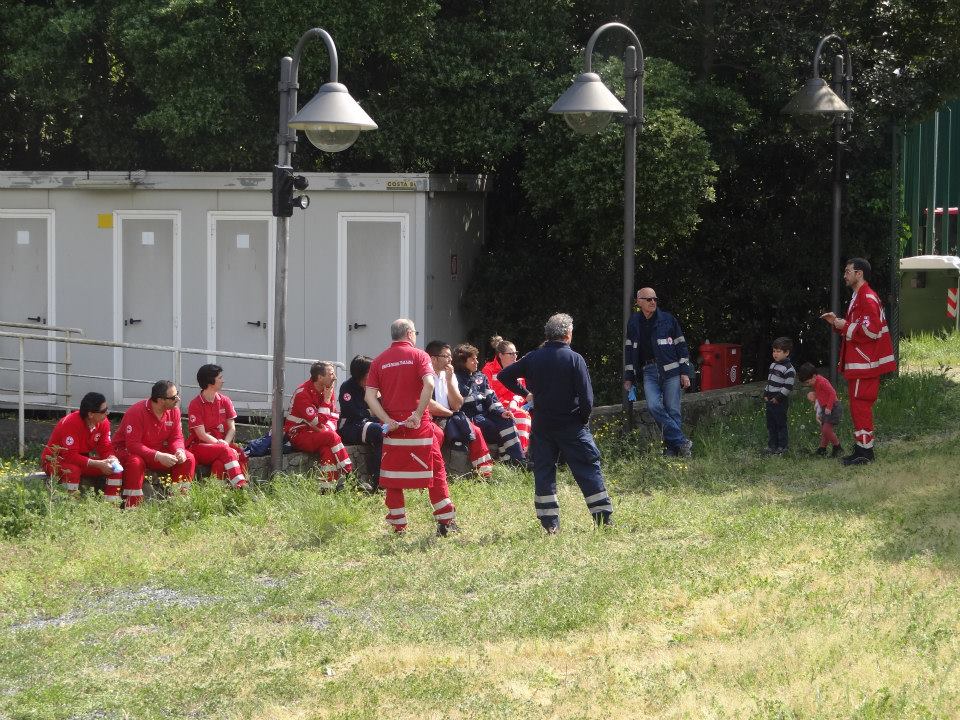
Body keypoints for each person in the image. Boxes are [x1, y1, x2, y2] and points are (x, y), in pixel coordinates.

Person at [498, 313, 613, 533]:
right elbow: (587, 399)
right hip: (571, 424)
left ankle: (550, 525)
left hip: (542, 425)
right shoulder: (575, 359)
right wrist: (582, 419)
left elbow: (504, 376)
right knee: (587, 468)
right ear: (568, 334)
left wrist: (526, 393)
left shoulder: (533, 357)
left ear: (548, 335)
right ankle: (603, 520)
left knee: (543, 471)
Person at [365, 319, 459, 536]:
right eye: (414, 332)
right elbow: (429, 384)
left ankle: (398, 525)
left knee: (393, 477)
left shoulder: (379, 361)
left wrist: (387, 420)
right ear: (409, 333)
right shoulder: (420, 356)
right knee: (435, 471)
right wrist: (417, 414)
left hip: (393, 428)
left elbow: (369, 396)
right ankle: (445, 521)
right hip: (419, 426)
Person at [820, 257, 896, 465]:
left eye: (847, 271)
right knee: (858, 406)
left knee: (860, 406)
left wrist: (843, 325)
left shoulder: (867, 297)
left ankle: (865, 453)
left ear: (859, 273)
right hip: (862, 364)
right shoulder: (859, 296)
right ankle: (862, 449)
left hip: (865, 364)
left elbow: (871, 330)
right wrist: (836, 322)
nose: (844, 275)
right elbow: (857, 327)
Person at [623, 287, 694, 457]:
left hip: (671, 371)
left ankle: (673, 450)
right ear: (639, 302)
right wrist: (629, 376)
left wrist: (685, 372)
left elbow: (681, 346)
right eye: (648, 299)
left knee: (672, 410)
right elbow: (629, 351)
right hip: (648, 371)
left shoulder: (668, 319)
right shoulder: (634, 322)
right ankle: (682, 442)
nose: (653, 302)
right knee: (654, 406)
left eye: (655, 298)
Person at [113, 380, 196, 508]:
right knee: (136, 462)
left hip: (154, 453)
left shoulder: (174, 411)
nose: (178, 399)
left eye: (177, 394)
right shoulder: (136, 412)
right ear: (160, 400)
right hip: (129, 452)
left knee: (188, 458)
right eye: (173, 397)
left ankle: (178, 503)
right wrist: (158, 455)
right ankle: (132, 506)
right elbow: (133, 445)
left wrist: (179, 450)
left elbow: (176, 437)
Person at [425, 340, 494, 479]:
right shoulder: (423, 375)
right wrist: (449, 413)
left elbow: (457, 404)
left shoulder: (449, 375)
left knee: (476, 431)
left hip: (449, 415)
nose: (450, 360)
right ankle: (431, 475)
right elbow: (428, 404)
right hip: (432, 417)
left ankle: (485, 474)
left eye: (450, 356)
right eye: (446, 356)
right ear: (433, 358)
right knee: (437, 434)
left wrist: (450, 381)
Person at [40, 391, 123, 501]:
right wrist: (98, 463)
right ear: (90, 414)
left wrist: (111, 458)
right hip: (54, 460)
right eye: (103, 411)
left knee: (114, 469)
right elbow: (70, 456)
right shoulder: (71, 423)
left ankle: (112, 506)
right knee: (72, 470)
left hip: (81, 460)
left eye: (107, 409)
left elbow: (106, 448)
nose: (107, 413)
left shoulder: (104, 423)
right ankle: (69, 504)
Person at [453, 343, 526, 465]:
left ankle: (520, 459)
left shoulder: (481, 376)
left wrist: (502, 412)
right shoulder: (455, 379)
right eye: (472, 359)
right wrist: (470, 381)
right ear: (462, 362)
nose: (477, 362)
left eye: (476, 358)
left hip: (487, 413)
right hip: (470, 416)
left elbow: (491, 398)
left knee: (507, 420)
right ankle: (507, 459)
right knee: (490, 426)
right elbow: (459, 402)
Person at [284, 361, 354, 489]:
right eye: (331, 374)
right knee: (331, 437)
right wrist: (326, 401)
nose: (335, 377)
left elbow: (333, 416)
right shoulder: (303, 394)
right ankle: (350, 473)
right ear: (320, 378)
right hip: (299, 434)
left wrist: (326, 429)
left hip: (318, 433)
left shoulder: (327, 389)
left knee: (327, 449)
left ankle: (327, 487)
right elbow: (318, 421)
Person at [186, 364, 248, 488]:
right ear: (210, 381)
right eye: (220, 377)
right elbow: (201, 434)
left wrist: (225, 443)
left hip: (222, 446)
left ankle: (218, 490)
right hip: (201, 447)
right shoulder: (195, 404)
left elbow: (232, 428)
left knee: (224, 461)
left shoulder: (225, 401)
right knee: (227, 451)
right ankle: (241, 485)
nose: (223, 380)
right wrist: (222, 445)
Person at [338, 354, 384, 491]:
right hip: (351, 426)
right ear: (361, 373)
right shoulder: (347, 387)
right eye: (371, 371)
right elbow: (353, 412)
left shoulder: (374, 386)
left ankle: (390, 478)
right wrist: (370, 412)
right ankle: (378, 481)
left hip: (368, 423)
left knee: (389, 431)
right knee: (379, 431)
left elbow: (380, 408)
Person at [481, 335, 532, 453]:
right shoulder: (488, 369)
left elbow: (522, 391)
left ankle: (522, 452)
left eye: (516, 353)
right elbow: (488, 394)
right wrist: (503, 407)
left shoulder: (518, 369)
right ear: (501, 355)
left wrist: (514, 401)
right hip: (497, 408)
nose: (515, 357)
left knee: (524, 414)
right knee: (521, 416)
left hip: (516, 406)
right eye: (511, 354)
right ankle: (521, 454)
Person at [797, 362, 843, 458]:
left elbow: (832, 393)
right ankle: (822, 449)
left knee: (826, 429)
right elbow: (821, 395)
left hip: (833, 407)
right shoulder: (816, 383)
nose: (807, 384)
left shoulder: (822, 381)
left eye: (808, 382)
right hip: (825, 408)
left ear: (814, 376)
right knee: (825, 430)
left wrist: (829, 408)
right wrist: (814, 396)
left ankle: (837, 447)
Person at [762, 337, 796, 455]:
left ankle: (783, 447)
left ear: (786, 353)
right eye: (774, 351)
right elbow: (770, 381)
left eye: (778, 351)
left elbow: (788, 387)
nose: (775, 354)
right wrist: (766, 394)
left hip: (780, 400)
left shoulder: (789, 369)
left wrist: (778, 398)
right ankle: (772, 446)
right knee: (771, 424)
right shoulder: (773, 365)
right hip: (770, 399)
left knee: (780, 424)